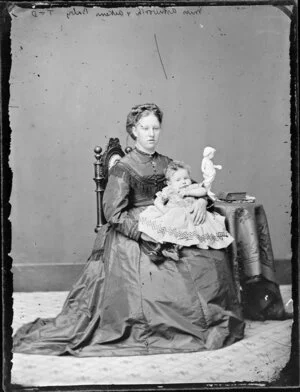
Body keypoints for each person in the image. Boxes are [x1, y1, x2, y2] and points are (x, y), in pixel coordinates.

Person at [12, 103, 288, 358]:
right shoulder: (124, 167)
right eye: (145, 128)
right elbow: (114, 213)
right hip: (136, 228)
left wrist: (202, 202)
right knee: (162, 273)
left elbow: (191, 186)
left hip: (171, 218)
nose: (151, 134)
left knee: (206, 255)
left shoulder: (168, 162)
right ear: (133, 131)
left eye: (155, 128)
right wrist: (144, 235)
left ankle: (214, 316)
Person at [138, 160, 234, 261]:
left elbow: (203, 191)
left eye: (186, 178)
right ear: (169, 183)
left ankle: (173, 249)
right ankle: (157, 249)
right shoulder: (169, 190)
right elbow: (158, 201)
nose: (183, 182)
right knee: (167, 225)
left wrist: (188, 192)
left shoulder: (192, 188)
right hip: (172, 213)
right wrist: (164, 210)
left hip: (189, 215)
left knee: (185, 231)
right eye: (178, 180)